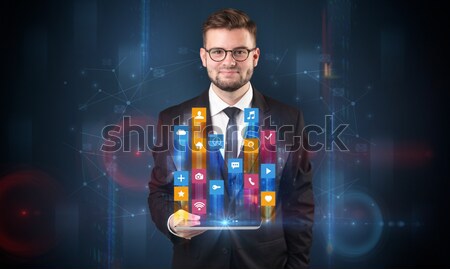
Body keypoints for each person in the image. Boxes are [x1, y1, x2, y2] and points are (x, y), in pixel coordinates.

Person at [148, 8, 314, 269]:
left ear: (255, 56)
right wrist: (173, 222)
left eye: (239, 51)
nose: (228, 62)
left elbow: (299, 201)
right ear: (204, 57)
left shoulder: (288, 119)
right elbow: (160, 191)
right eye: (218, 52)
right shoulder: (173, 119)